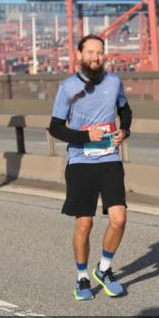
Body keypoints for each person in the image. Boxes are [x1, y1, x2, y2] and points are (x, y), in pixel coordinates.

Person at [48, 35, 132, 301]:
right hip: (81, 162)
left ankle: (104, 269)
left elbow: (125, 111)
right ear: (80, 55)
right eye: (90, 52)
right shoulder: (68, 87)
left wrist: (124, 131)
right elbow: (55, 127)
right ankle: (82, 277)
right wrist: (86, 137)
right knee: (84, 224)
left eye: (100, 53)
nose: (95, 57)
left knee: (119, 219)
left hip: (109, 159)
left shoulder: (114, 82)